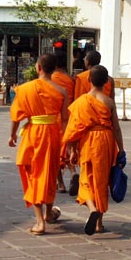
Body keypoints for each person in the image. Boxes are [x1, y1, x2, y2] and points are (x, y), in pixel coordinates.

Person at [8, 53, 69, 236]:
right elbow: (65, 120)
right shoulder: (61, 91)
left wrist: (12, 136)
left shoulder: (25, 89)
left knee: (34, 175)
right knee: (50, 175)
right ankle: (49, 212)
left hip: (34, 134)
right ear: (54, 69)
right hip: (53, 134)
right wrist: (67, 141)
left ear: (38, 68)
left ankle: (40, 221)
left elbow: (16, 116)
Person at [63, 65, 125, 235]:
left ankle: (92, 208)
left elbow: (75, 128)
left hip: (88, 140)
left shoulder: (81, 102)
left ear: (89, 80)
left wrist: (73, 149)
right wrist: (121, 149)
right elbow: (117, 128)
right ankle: (99, 224)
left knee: (86, 178)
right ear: (106, 82)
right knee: (102, 180)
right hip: (106, 141)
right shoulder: (109, 102)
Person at [51, 50, 75, 194]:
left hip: (55, 118)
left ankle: (60, 184)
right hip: (70, 116)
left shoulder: (51, 79)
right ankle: (73, 173)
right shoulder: (70, 79)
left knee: (56, 152)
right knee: (69, 149)